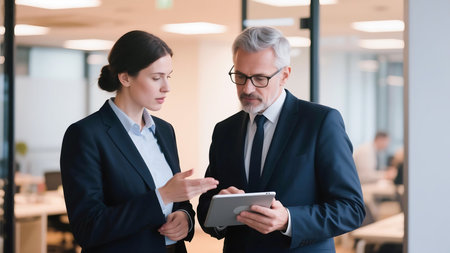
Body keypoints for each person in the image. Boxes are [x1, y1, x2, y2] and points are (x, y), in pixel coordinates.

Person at [197, 26, 365, 253]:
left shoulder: (320, 122)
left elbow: (351, 209)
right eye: (240, 76)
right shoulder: (225, 130)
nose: (247, 88)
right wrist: (220, 209)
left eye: (259, 78)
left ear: (284, 75)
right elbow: (206, 207)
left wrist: (288, 220)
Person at [60, 30, 218, 253]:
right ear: (125, 78)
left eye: (168, 76)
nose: (167, 87)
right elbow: (89, 227)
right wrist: (162, 196)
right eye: (156, 78)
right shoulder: (86, 134)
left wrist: (185, 218)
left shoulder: (164, 130)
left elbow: (177, 203)